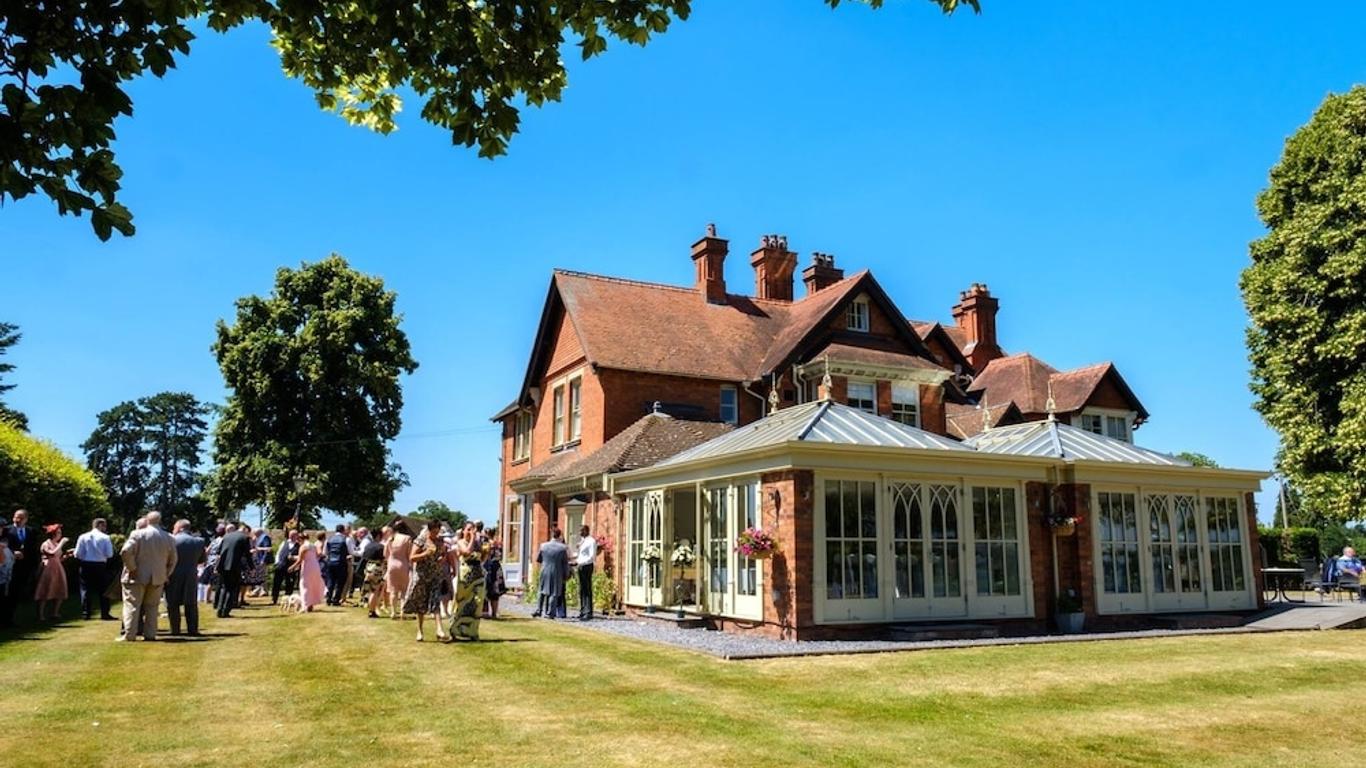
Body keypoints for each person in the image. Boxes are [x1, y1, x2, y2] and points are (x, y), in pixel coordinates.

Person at [118, 511, 177, 642]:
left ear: (147, 521)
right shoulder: (169, 537)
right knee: (152, 606)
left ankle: (130, 634)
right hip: (158, 577)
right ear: (160, 520)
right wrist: (166, 574)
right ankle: (150, 634)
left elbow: (125, 551)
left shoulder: (137, 534)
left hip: (137, 576)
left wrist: (132, 568)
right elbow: (174, 559)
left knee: (132, 605)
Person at [403, 520, 449, 642]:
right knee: (421, 604)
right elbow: (412, 557)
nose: (436, 534)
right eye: (434, 532)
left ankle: (440, 629)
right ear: (429, 530)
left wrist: (441, 558)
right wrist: (426, 553)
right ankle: (420, 630)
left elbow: (444, 554)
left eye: (437, 532)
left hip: (435, 575)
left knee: (436, 601)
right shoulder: (420, 540)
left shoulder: (439, 541)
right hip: (422, 575)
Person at [165, 519, 207, 636]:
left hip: (173, 574)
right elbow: (202, 560)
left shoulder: (171, 540)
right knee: (191, 603)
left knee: (172, 603)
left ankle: (175, 629)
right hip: (191, 575)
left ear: (179, 528)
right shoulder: (199, 541)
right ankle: (193, 629)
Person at [3, 509, 41, 625]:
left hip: (25, 568)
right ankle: (5, 618)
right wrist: (13, 552)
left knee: (17, 593)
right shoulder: (6, 531)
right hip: (9, 566)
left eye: (20, 518)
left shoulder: (31, 531)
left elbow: (34, 549)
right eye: (15, 517)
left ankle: (11, 617)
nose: (17, 520)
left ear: (26, 519)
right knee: (7, 593)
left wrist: (35, 566)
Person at [73, 518, 115, 621]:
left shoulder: (83, 536)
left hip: (86, 564)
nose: (105, 528)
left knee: (86, 589)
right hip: (100, 565)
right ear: (100, 525)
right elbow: (109, 554)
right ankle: (105, 613)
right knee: (104, 590)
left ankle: (86, 613)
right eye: (104, 526)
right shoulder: (105, 537)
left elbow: (78, 554)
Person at [449, 523, 485, 641]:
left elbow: (482, 557)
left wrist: (481, 545)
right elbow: (467, 552)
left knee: (477, 602)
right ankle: (455, 630)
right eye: (468, 530)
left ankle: (473, 631)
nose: (471, 532)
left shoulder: (477, 543)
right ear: (463, 531)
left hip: (478, 574)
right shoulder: (460, 542)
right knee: (462, 602)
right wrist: (473, 539)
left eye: (473, 529)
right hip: (466, 575)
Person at [33, 524, 71, 621]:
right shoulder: (46, 544)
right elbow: (51, 554)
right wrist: (62, 543)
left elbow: (58, 558)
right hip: (48, 569)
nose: (60, 534)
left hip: (58, 568)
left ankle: (55, 613)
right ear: (53, 534)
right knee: (45, 590)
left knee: (59, 590)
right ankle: (40, 615)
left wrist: (66, 556)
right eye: (58, 533)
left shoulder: (56, 544)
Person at [215, 523, 252, 618]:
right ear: (245, 531)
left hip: (223, 565)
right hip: (234, 566)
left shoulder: (226, 536)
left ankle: (219, 610)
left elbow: (219, 552)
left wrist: (217, 566)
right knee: (232, 589)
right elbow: (247, 554)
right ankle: (226, 611)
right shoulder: (244, 538)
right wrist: (251, 567)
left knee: (224, 587)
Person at [534, 528, 569, 619]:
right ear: (559, 535)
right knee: (554, 592)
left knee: (541, 590)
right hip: (557, 571)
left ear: (552, 534)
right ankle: (550, 613)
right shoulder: (562, 548)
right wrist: (566, 574)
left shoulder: (543, 546)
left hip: (544, 570)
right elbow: (565, 563)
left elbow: (538, 559)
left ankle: (539, 610)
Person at [384, 522, 414, 620]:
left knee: (393, 590)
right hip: (403, 564)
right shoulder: (407, 538)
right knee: (404, 590)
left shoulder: (390, 539)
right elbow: (409, 553)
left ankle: (393, 612)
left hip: (391, 564)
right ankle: (402, 611)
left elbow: (385, 554)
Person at [292, 532, 327, 612]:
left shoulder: (303, 547)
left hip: (307, 567)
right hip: (315, 566)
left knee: (305, 585)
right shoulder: (313, 546)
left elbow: (300, 560)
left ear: (300, 539)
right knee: (313, 585)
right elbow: (318, 555)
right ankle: (311, 605)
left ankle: (305, 605)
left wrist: (292, 567)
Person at [361, 527, 387, 618]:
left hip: (368, 567)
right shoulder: (381, 547)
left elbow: (364, 557)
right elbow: (384, 558)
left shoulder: (367, 546)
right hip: (377, 568)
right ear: (379, 536)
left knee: (368, 589)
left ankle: (368, 605)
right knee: (374, 590)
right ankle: (371, 611)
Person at [573, 525, 597, 621]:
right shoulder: (583, 541)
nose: (580, 533)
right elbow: (581, 555)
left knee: (587, 589)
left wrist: (580, 563)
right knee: (582, 589)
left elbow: (591, 557)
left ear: (586, 531)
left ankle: (588, 612)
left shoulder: (591, 541)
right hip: (580, 566)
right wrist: (574, 559)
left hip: (587, 566)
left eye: (581, 531)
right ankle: (583, 610)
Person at [322, 525, 350, 606]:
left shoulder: (329, 539)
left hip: (330, 562)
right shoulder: (345, 539)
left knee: (331, 581)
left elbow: (324, 553)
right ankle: (336, 600)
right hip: (341, 562)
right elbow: (351, 551)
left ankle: (328, 598)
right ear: (343, 530)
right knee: (340, 582)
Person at [271, 530, 302, 604]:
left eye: (293, 535)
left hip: (291, 567)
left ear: (297, 536)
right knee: (277, 583)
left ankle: (288, 600)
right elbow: (279, 552)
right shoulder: (284, 543)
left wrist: (294, 558)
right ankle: (274, 599)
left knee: (289, 584)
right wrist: (277, 562)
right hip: (281, 566)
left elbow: (301, 556)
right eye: (290, 535)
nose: (291, 536)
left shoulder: (299, 545)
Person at [483, 531, 506, 619]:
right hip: (496, 567)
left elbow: (485, 555)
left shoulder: (487, 544)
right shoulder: (498, 545)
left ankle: (486, 611)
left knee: (487, 588)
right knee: (495, 591)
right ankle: (494, 612)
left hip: (489, 566)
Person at [245, 528, 271, 598]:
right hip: (258, 559)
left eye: (254, 533)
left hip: (262, 559)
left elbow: (267, 549)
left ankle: (263, 591)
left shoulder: (265, 537)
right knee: (258, 575)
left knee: (262, 575)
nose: (253, 534)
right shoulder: (258, 538)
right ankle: (258, 590)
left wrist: (263, 559)